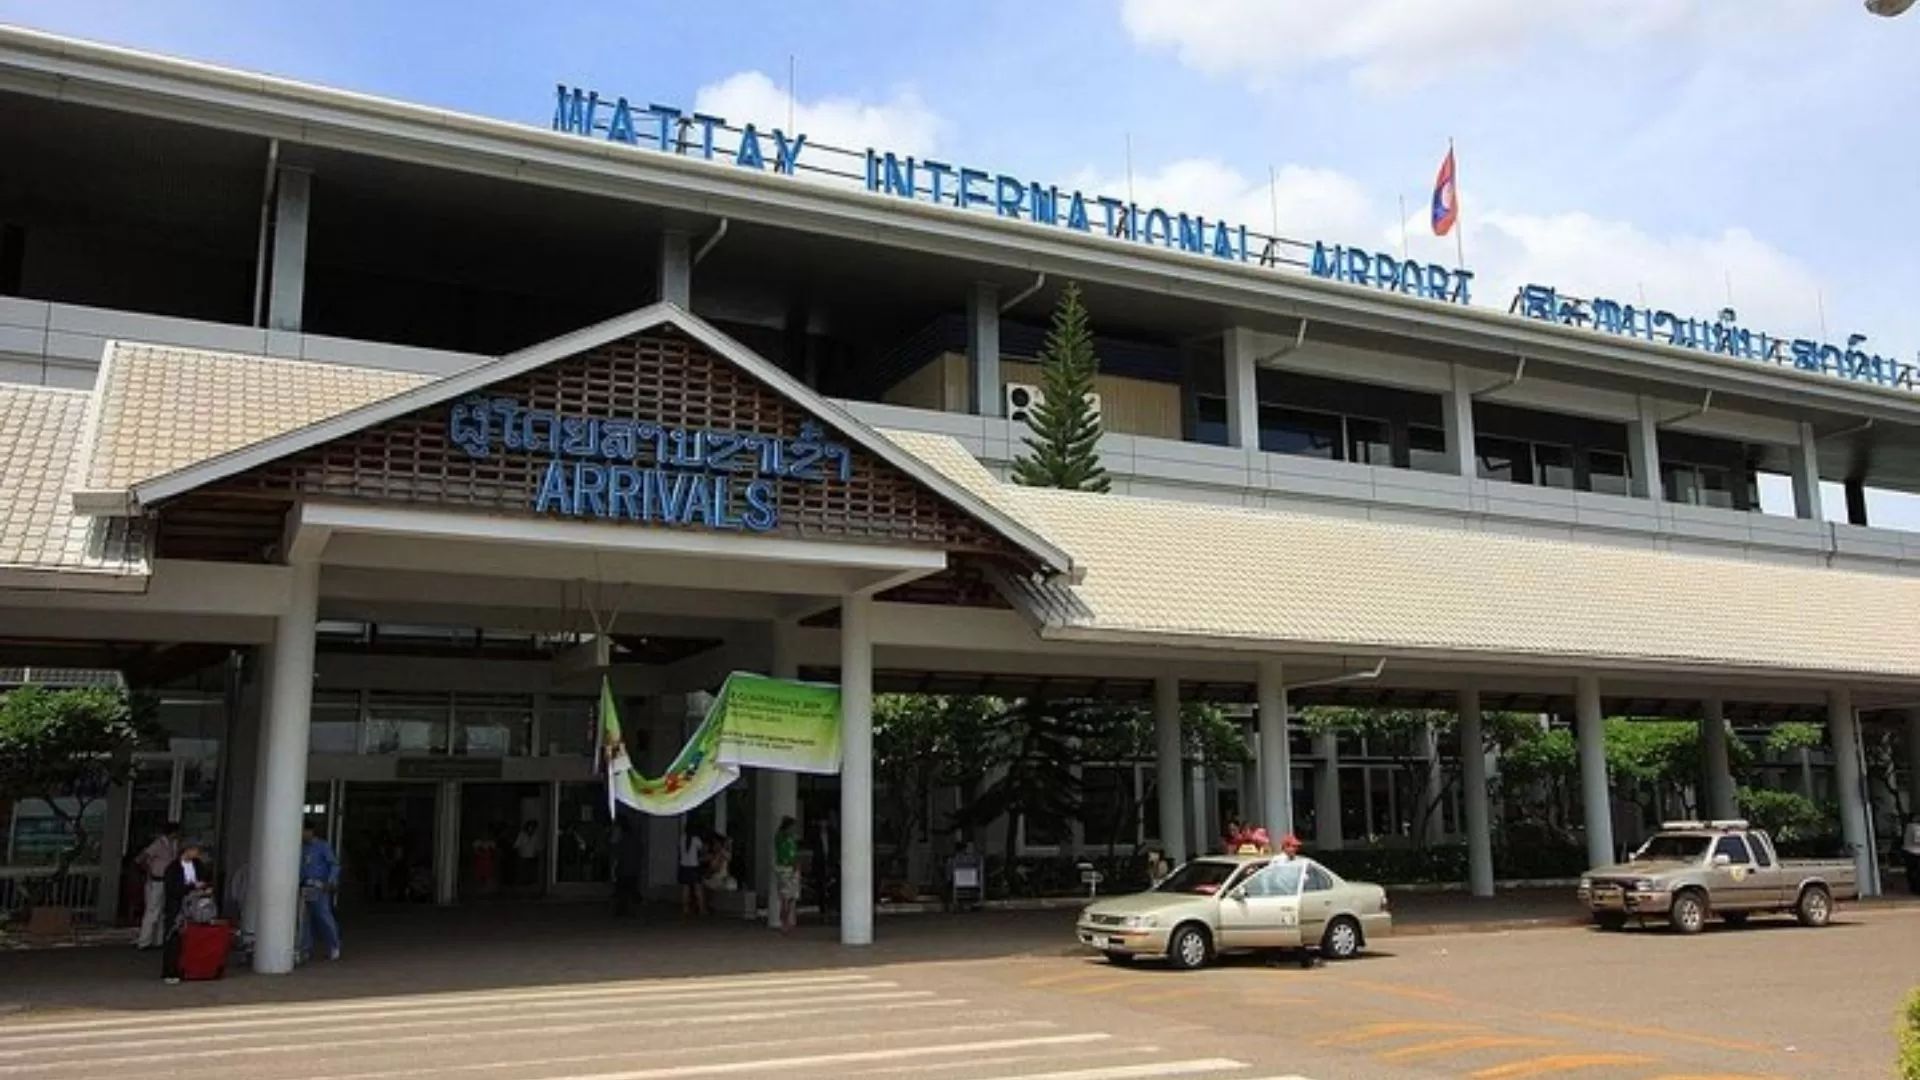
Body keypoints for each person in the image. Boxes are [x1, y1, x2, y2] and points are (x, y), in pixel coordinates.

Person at [159, 840, 213, 984]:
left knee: (191, 939)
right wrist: (191, 886)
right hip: (177, 906)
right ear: (186, 850)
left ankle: (188, 969)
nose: (197, 854)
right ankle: (169, 971)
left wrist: (205, 888)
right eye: (195, 850)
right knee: (173, 938)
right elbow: (172, 889)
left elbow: (206, 879)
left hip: (194, 906)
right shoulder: (173, 868)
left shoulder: (198, 865)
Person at [133, 821, 180, 950]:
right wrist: (149, 870)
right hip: (156, 880)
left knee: (160, 912)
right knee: (152, 911)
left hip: (166, 880)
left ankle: (157, 940)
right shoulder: (158, 844)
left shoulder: (172, 845)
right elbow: (141, 858)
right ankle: (144, 941)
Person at [300, 820, 342, 963]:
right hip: (304, 885)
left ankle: (333, 946)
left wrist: (330, 882)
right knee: (304, 920)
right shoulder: (300, 848)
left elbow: (334, 865)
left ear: (311, 831)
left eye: (304, 831)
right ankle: (305, 949)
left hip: (319, 886)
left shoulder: (322, 847)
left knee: (323, 917)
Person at [773, 816, 801, 932]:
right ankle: (783, 921)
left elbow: (795, 853)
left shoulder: (792, 839)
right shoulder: (780, 837)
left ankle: (787, 918)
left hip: (793, 868)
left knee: (792, 897)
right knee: (785, 896)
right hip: (784, 868)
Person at [678, 821, 706, 915]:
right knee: (697, 887)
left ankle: (685, 909)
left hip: (684, 866)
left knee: (685, 888)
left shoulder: (682, 838)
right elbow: (703, 850)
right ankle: (701, 908)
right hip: (694, 866)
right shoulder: (696, 840)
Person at [514, 820, 544, 895]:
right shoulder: (522, 834)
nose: (531, 828)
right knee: (523, 871)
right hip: (523, 856)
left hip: (532, 856)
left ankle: (531, 885)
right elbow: (517, 845)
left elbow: (538, 846)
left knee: (531, 871)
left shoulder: (535, 835)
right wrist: (519, 853)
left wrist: (538, 854)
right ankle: (523, 885)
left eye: (533, 827)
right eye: (530, 826)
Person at [1902, 814, 1920, 896]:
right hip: (1914, 852)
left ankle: (1913, 888)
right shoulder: (1915, 827)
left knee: (1911, 871)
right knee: (1916, 872)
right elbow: (1917, 840)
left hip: (1908, 851)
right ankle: (1916, 889)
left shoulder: (1909, 826)